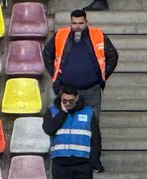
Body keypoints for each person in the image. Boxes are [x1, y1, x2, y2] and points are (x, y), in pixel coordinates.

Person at [43, 10, 119, 174]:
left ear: (86, 22)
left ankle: (94, 160)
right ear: (70, 23)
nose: (77, 27)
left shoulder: (97, 35)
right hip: (68, 90)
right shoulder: (61, 35)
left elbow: (113, 55)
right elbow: (47, 55)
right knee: (65, 123)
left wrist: (101, 76)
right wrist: (57, 76)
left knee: (93, 126)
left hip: (91, 89)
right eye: (74, 23)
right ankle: (64, 159)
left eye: (80, 23)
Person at [43, 84, 97, 179]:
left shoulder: (88, 112)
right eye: (64, 101)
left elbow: (96, 139)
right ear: (60, 98)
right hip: (60, 164)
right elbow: (49, 130)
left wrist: (93, 162)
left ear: (77, 98)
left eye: (71, 101)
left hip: (83, 164)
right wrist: (63, 113)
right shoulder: (52, 111)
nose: (67, 104)